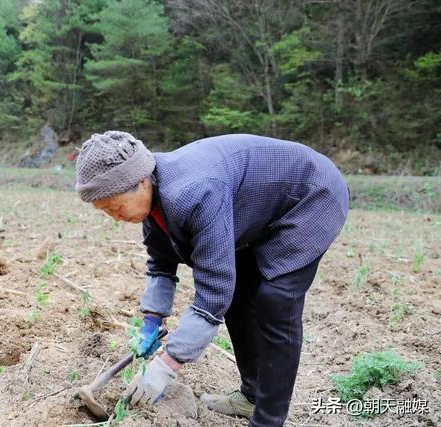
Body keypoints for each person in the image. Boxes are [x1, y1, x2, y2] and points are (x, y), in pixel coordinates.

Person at [75, 131, 349, 427]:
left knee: (276, 300)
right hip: (254, 208)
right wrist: (152, 321)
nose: (115, 216)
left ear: (141, 181)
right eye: (106, 212)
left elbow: (212, 297)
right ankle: (251, 397)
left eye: (116, 206)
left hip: (310, 196)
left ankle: (268, 420)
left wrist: (166, 365)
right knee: (239, 295)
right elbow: (161, 263)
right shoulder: (154, 203)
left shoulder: (194, 193)